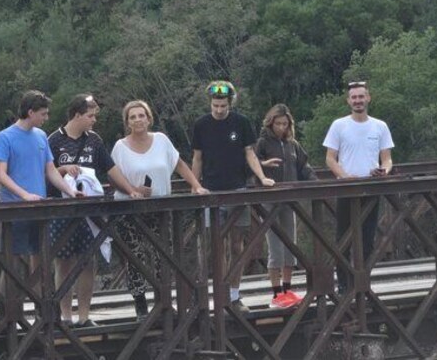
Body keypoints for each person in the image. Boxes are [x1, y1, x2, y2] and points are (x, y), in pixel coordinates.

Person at [48, 94, 143, 328]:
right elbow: (46, 172)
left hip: (90, 210)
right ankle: (65, 316)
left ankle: (84, 316)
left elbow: (110, 169)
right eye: (90, 116)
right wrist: (64, 169)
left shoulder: (94, 140)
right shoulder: (54, 140)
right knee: (63, 262)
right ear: (77, 115)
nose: (94, 120)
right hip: (62, 209)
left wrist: (130, 190)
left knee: (88, 261)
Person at [111, 100, 209, 320]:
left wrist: (196, 185)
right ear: (127, 122)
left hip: (160, 207)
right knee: (135, 256)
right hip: (130, 209)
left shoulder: (162, 140)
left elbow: (179, 164)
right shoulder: (120, 147)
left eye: (141, 115)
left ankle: (163, 301)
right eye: (133, 117)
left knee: (163, 255)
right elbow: (113, 177)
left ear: (149, 118)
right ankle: (140, 305)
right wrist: (133, 189)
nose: (138, 120)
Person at [191, 81, 274, 314]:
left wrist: (262, 177)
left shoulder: (241, 122)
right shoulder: (201, 125)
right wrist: (195, 185)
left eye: (223, 106)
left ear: (230, 103)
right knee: (213, 246)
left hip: (237, 190)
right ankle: (213, 295)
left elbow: (250, 153)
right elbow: (197, 157)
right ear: (210, 103)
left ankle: (234, 295)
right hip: (211, 191)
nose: (219, 110)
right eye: (215, 105)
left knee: (237, 245)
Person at [0, 90, 83, 275]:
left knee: (41, 262)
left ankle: (39, 296)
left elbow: (51, 170)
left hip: (39, 207)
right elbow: (0, 174)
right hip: (14, 208)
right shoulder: (5, 137)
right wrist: (24, 195)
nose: (46, 118)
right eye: (43, 114)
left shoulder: (41, 136)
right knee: (12, 266)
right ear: (30, 112)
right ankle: (10, 296)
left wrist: (70, 191)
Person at [323, 81, 394, 294]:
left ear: (368, 98)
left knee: (367, 240)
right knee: (343, 239)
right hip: (347, 189)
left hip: (371, 189)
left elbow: (387, 159)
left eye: (361, 96)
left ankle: (364, 282)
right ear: (348, 101)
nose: (358, 101)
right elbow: (330, 158)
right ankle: (344, 285)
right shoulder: (339, 125)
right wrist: (345, 177)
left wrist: (384, 171)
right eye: (354, 97)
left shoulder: (380, 126)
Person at [255, 104, 317, 308]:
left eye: (285, 124)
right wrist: (263, 165)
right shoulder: (262, 143)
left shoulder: (293, 145)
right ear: (270, 123)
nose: (281, 127)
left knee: (291, 244)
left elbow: (304, 167)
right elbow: (251, 165)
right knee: (275, 248)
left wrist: (316, 183)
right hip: (269, 201)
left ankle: (287, 290)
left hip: (290, 201)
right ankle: (276, 293)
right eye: (278, 124)